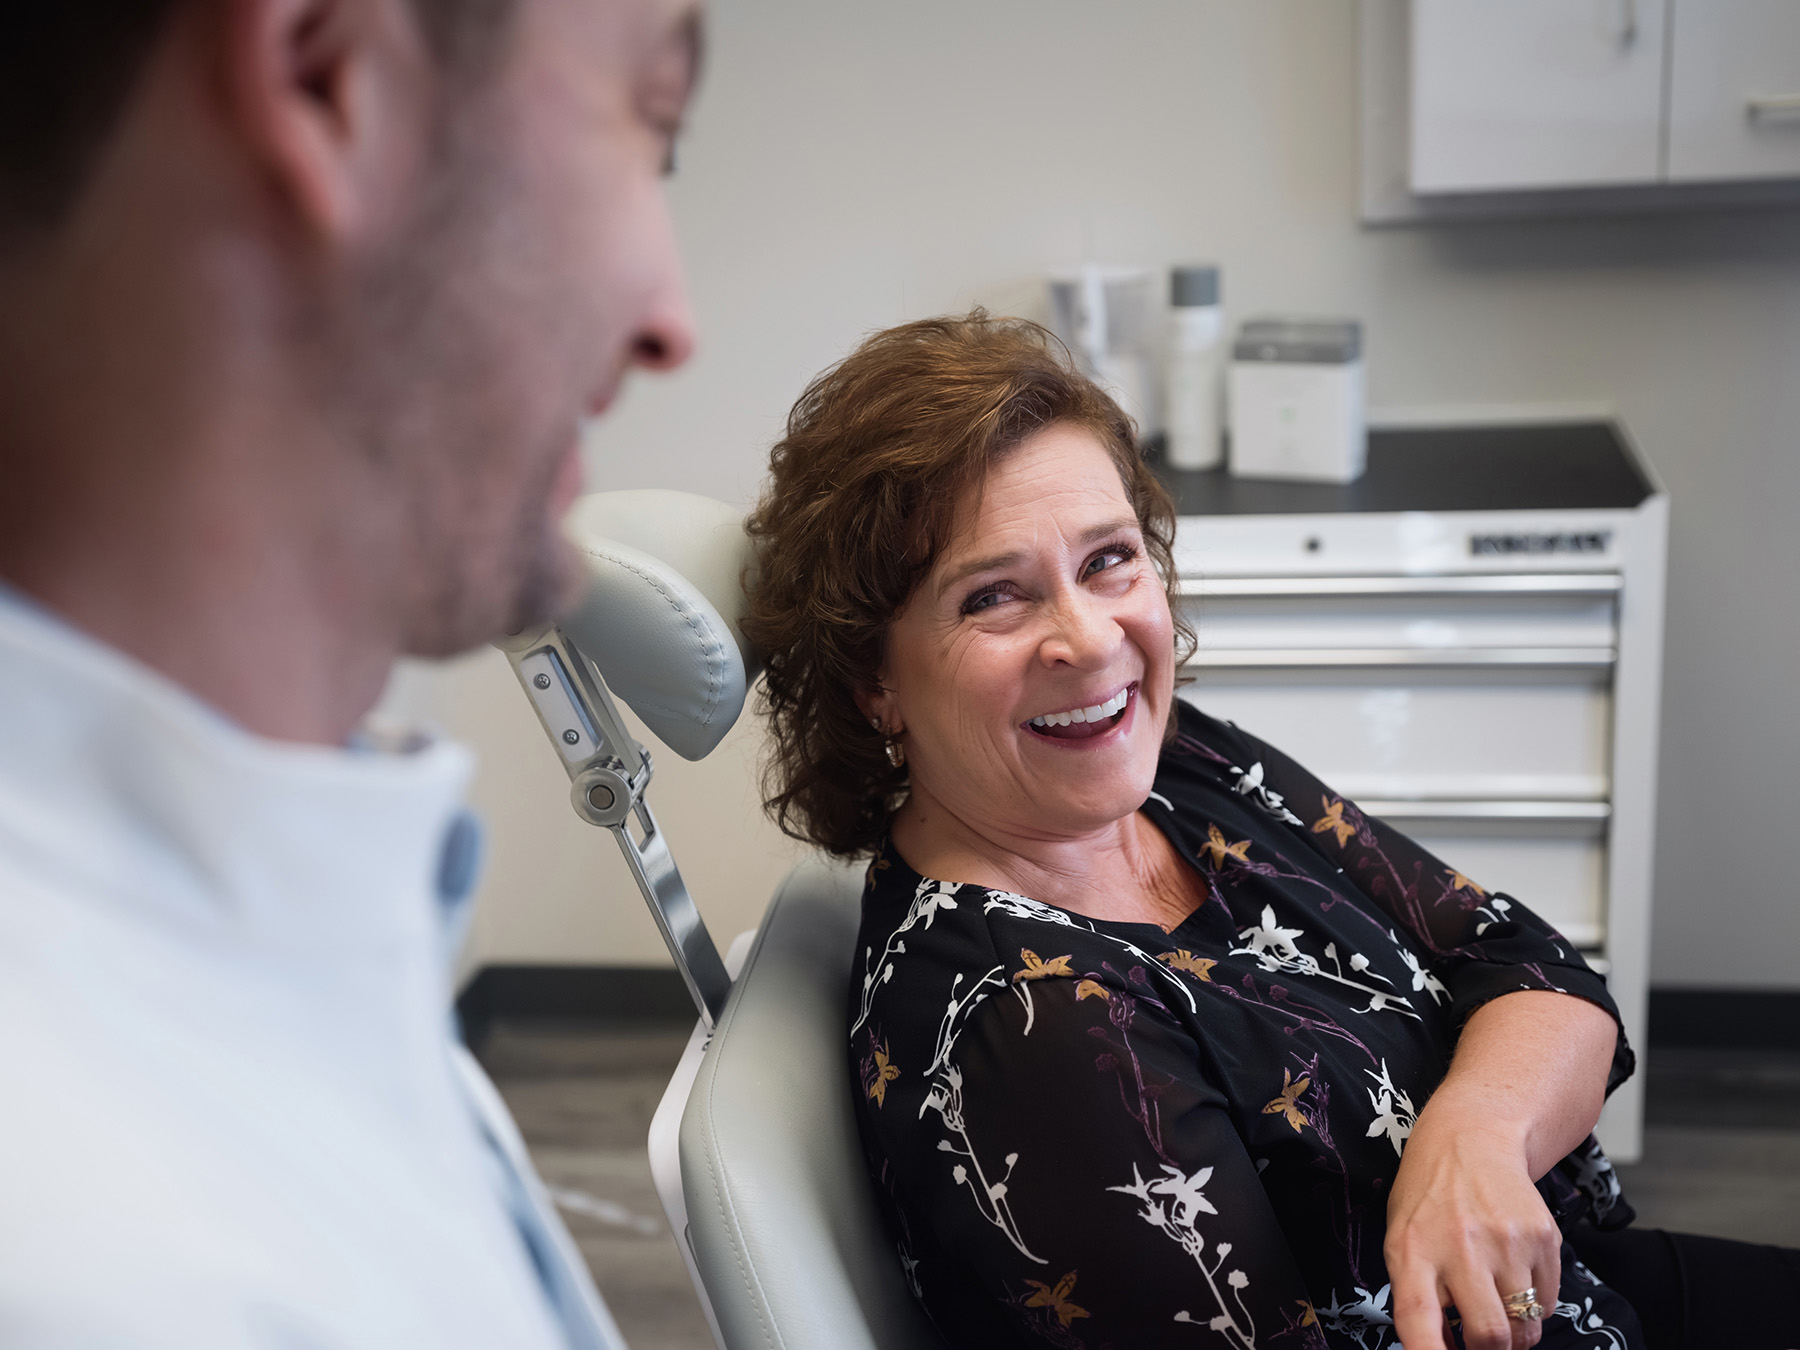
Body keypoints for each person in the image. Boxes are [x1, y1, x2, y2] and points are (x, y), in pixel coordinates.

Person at [742, 313, 1800, 1350]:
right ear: (875, 680)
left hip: (1584, 1284)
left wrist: (1473, 1136)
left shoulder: (1173, 765)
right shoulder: (1035, 1025)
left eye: (1109, 559)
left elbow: (1531, 966)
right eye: (994, 598)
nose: (1089, 637)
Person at [0, 0, 697, 1345]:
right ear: (329, 75)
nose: (673, 322)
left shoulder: (275, 923)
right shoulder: (122, 1278)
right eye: (650, 125)